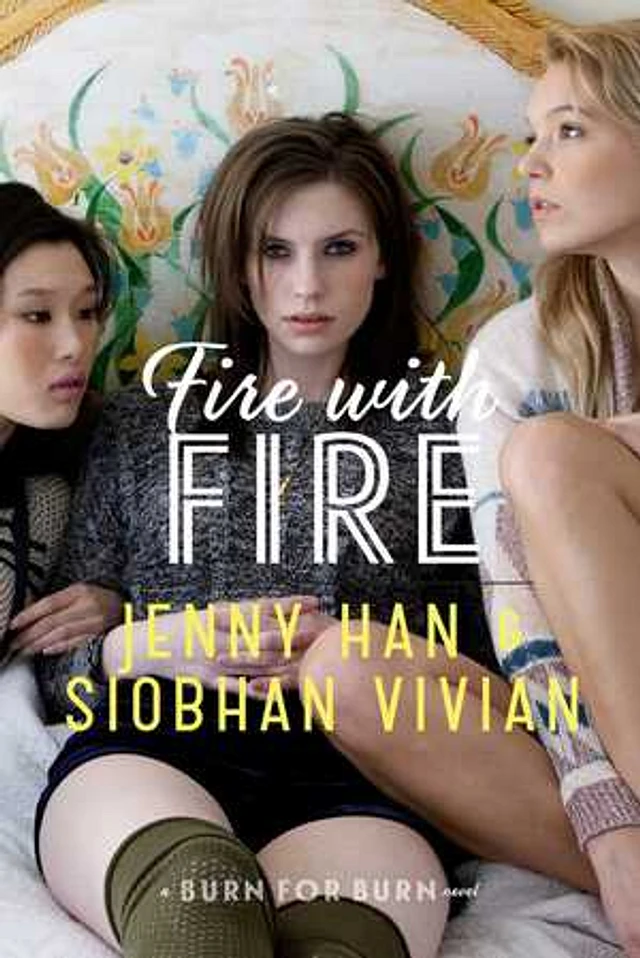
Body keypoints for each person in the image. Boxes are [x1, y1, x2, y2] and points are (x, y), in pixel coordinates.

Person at [34, 112, 492, 958]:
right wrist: (150, 644)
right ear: (237, 265)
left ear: (383, 257)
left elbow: (494, 671)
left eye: (339, 249)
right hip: (153, 749)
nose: (306, 286)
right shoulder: (146, 422)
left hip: (358, 778)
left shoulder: (449, 433)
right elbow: (58, 670)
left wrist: (358, 650)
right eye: (274, 251)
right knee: (199, 916)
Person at [453, 18, 640, 958]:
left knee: (551, 458)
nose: (531, 164)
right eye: (534, 135)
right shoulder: (511, 356)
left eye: (569, 130)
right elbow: (523, 625)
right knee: (349, 678)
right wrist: (608, 824)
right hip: (612, 729)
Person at [0, 181, 121, 668]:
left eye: (87, 312)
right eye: (37, 315)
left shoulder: (53, 493)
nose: (75, 344)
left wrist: (114, 606)